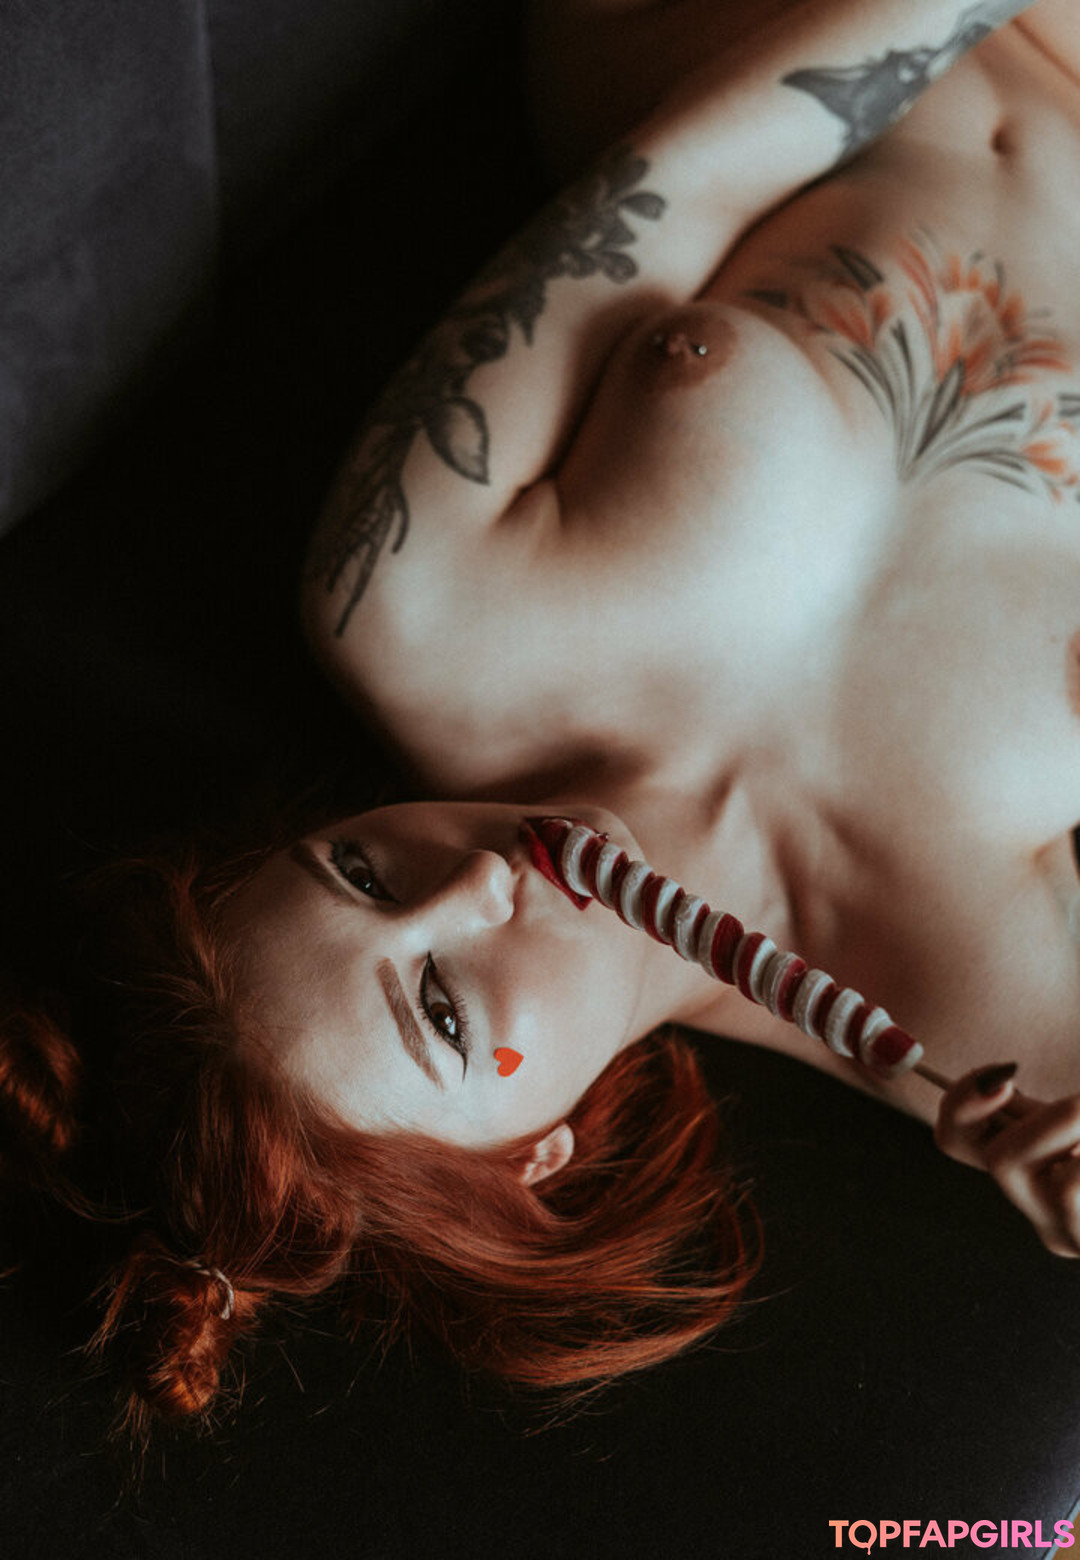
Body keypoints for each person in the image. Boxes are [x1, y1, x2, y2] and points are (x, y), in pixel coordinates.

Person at [6, 0, 1080, 1432]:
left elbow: (693, 170)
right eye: (443, 1008)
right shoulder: (1004, 1020)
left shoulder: (420, 600)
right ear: (539, 1154)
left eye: (361, 869)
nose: (479, 878)